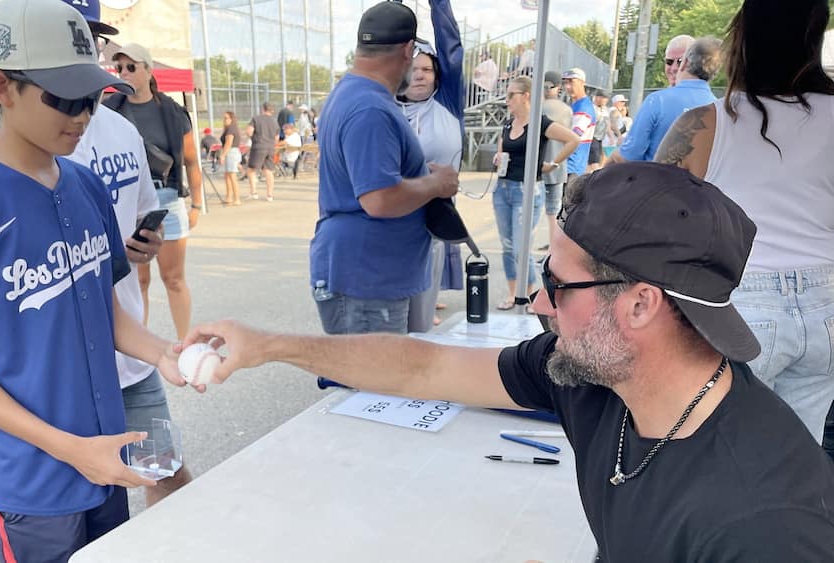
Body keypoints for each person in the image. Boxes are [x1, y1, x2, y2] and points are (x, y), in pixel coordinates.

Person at [175, 162, 834, 561]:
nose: (539, 300)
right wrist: (271, 346)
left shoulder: (764, 524)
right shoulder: (603, 377)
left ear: (640, 305)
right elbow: (422, 369)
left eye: (558, 283)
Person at [0, 1, 186, 559]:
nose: (83, 115)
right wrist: (69, 449)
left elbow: (104, 311)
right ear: (2, 86)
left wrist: (164, 351)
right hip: (32, 475)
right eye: (64, 97)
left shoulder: (84, 186)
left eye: (91, 96)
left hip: (104, 453)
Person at [655, 0, 834, 445]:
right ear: (814, 40)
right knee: (799, 457)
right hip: (828, 303)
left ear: (742, 41)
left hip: (740, 299)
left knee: (722, 455)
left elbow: (655, 215)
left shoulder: (705, 123)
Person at [311, 0, 459, 335]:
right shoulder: (370, 108)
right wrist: (438, 184)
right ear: (408, 49)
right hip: (367, 280)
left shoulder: (354, 95)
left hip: (368, 276)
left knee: (372, 382)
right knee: (373, 384)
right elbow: (379, 198)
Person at [105, 42, 204, 340]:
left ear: (148, 70)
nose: (124, 73)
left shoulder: (173, 112)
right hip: (128, 201)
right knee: (139, 280)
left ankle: (187, 343)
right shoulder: (109, 110)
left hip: (166, 200)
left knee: (173, 278)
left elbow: (190, 160)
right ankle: (142, 344)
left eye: (131, 67)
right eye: (119, 68)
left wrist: (197, 204)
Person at [396, 0, 464, 332]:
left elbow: (452, 49)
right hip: (391, 224)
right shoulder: (386, 109)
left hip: (432, 225)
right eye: (413, 68)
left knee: (420, 323)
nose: (420, 74)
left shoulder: (447, 103)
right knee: (388, 320)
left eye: (427, 69)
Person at [493, 76, 579, 310]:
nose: (508, 99)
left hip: (527, 189)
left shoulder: (540, 122)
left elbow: (573, 139)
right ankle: (513, 293)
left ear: (526, 96)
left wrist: (553, 163)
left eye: (512, 95)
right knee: (508, 245)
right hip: (503, 187)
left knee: (522, 245)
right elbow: (502, 152)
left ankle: (529, 294)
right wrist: (498, 159)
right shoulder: (509, 124)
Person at [609, 37, 721, 164]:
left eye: (679, 61)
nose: (673, 68)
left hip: (655, 181)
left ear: (686, 63)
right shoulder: (719, 109)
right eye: (669, 61)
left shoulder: (657, 101)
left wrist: (610, 159)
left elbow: (628, 157)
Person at [539, 70, 573, 251]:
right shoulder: (567, 110)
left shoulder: (537, 108)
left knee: (533, 210)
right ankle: (553, 250)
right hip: (558, 166)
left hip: (537, 166)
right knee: (554, 212)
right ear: (558, 87)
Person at [561, 68, 594, 180]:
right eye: (565, 82)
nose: (567, 86)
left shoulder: (583, 107)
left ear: (582, 83)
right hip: (571, 165)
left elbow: (574, 135)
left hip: (572, 166)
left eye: (571, 82)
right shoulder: (575, 105)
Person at [245, 102, 280, 201]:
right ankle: (269, 195)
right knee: (268, 171)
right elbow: (276, 137)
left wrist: (252, 137)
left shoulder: (256, 119)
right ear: (272, 111)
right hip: (270, 147)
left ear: (262, 109)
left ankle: (254, 192)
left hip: (258, 146)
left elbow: (249, 131)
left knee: (251, 170)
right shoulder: (274, 122)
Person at [219, 111, 242, 205]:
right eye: (224, 118)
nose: (224, 120)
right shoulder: (229, 129)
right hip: (230, 152)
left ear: (232, 119)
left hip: (231, 152)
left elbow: (228, 143)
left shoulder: (231, 129)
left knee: (232, 176)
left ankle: (237, 198)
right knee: (227, 176)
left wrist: (222, 155)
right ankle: (229, 197)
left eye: (226, 118)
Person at [587, 90, 610, 172]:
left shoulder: (605, 109)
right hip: (592, 137)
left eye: (606, 98)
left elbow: (607, 123)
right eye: (604, 98)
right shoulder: (591, 108)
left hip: (600, 138)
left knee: (598, 159)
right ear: (598, 97)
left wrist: (610, 136)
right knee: (594, 162)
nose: (606, 100)